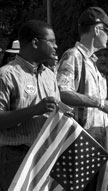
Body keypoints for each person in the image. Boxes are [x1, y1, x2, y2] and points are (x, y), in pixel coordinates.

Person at [57, 6, 108, 191]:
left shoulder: (93, 64)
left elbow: (104, 107)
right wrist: (101, 103)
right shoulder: (73, 56)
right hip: (78, 146)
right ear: (96, 29)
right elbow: (61, 92)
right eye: (107, 30)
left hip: (96, 147)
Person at [0, 19, 60, 191]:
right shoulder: (6, 75)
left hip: (45, 155)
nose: (56, 46)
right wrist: (35, 110)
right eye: (52, 42)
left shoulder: (49, 75)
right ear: (35, 42)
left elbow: (54, 111)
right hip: (14, 158)